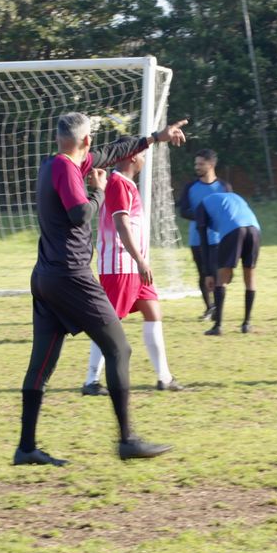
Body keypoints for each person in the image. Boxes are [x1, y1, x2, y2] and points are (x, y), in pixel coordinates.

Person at [15, 112, 188, 467]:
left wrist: (156, 137)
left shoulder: (54, 163)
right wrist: (99, 190)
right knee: (119, 350)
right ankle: (127, 440)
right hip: (70, 276)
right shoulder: (67, 169)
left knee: (42, 365)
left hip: (46, 276)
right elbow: (80, 215)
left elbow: (115, 150)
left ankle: (26, 448)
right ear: (85, 141)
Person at [81, 138, 184, 396]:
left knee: (153, 313)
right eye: (142, 154)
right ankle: (91, 381)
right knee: (108, 323)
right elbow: (121, 225)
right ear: (132, 157)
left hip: (135, 268)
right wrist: (139, 260)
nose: (144, 158)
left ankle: (164, 377)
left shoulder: (125, 184)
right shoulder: (117, 184)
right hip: (121, 266)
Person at [176, 149, 232, 320]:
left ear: (211, 165)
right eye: (196, 164)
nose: (197, 167)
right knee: (202, 273)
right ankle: (209, 308)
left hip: (218, 240)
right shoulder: (190, 187)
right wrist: (202, 217)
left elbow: (230, 211)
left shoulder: (224, 187)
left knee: (216, 274)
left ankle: (217, 309)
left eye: (201, 164)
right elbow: (183, 211)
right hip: (197, 239)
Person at [196, 192, 260, 336]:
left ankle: (217, 326)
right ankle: (246, 324)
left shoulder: (201, 207)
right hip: (255, 229)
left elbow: (204, 243)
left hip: (234, 230)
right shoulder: (229, 198)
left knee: (222, 278)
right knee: (249, 277)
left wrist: (207, 274)